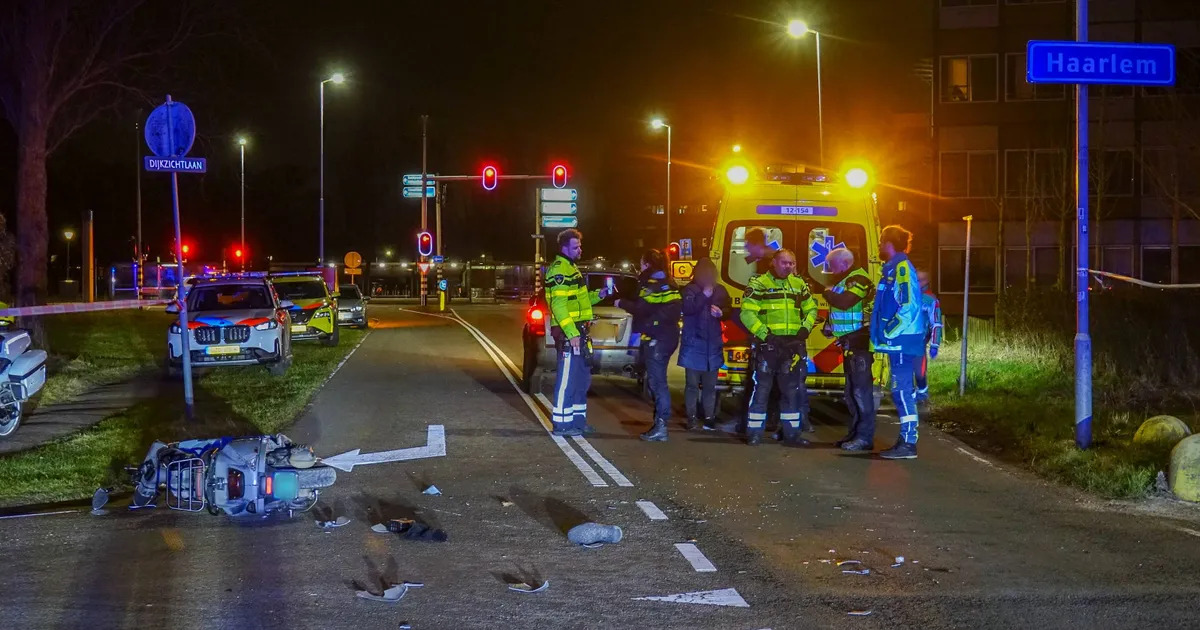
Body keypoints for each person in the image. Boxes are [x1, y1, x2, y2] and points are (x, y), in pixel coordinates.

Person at [739, 249, 817, 446]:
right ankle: (754, 434)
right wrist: (767, 335)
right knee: (762, 391)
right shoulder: (759, 284)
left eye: (791, 263)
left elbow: (811, 308)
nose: (788, 266)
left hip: (791, 347)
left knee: (791, 392)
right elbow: (747, 314)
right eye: (784, 262)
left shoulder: (799, 284)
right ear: (773, 262)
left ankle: (792, 436)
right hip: (768, 347)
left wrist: (805, 329)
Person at [545, 229, 610, 437]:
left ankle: (578, 422)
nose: (580, 249)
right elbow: (559, 306)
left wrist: (598, 295)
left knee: (581, 379)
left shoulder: (572, 268)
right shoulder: (559, 271)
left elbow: (579, 303)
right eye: (576, 247)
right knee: (567, 380)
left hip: (579, 333)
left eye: (579, 246)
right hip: (568, 335)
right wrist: (572, 333)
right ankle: (562, 425)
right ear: (564, 248)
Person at [871, 225, 924, 460]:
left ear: (889, 243)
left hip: (901, 341)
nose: (880, 247)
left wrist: (890, 332)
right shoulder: (893, 268)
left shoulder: (901, 268)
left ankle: (909, 442)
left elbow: (908, 305)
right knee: (900, 390)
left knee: (902, 391)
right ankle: (906, 440)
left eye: (881, 242)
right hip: (898, 341)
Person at [617, 249, 682, 442]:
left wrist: (622, 303)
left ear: (647, 264)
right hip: (666, 337)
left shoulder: (652, 285)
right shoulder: (669, 283)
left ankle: (661, 426)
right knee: (656, 381)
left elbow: (642, 309)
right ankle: (659, 423)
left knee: (657, 382)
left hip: (657, 339)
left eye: (642, 262)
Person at [820, 247, 876, 452]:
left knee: (862, 393)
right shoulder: (846, 280)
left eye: (832, 266)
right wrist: (830, 326)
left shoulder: (859, 279)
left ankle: (864, 437)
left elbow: (844, 303)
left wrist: (826, 292)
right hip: (849, 343)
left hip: (860, 343)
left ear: (845, 263)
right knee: (851, 393)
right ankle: (855, 434)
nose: (831, 271)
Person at [677, 258, 731, 431]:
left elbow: (729, 310)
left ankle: (709, 418)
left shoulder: (720, 290)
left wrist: (722, 313)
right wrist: (704, 296)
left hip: (712, 344)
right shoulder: (690, 290)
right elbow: (688, 309)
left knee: (709, 386)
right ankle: (692, 418)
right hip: (694, 344)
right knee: (692, 385)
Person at [915, 271, 942, 404]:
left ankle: (922, 392)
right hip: (904, 339)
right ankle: (910, 394)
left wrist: (934, 345)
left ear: (926, 281)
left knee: (919, 371)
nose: (917, 283)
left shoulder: (931, 300)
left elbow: (936, 324)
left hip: (919, 340)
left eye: (920, 280)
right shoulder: (908, 296)